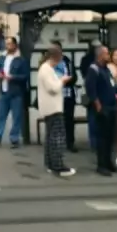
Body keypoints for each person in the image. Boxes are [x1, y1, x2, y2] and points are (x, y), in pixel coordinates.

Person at [37, 45, 76, 177]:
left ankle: (50, 164)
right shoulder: (46, 69)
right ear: (57, 57)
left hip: (50, 108)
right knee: (57, 138)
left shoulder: (45, 68)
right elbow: (53, 88)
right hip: (53, 108)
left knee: (50, 137)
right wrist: (62, 81)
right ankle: (58, 167)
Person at [0, 37, 29, 149]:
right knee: (0, 116)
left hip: (16, 92)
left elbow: (25, 76)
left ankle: (14, 139)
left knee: (16, 117)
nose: (7, 46)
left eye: (9, 44)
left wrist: (12, 77)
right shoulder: (2, 57)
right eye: (6, 44)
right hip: (4, 91)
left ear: (15, 45)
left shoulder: (21, 59)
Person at [84, 46, 117, 176]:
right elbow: (91, 89)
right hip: (102, 108)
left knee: (110, 137)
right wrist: (97, 104)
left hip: (112, 107)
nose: (108, 55)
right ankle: (101, 165)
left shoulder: (106, 69)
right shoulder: (93, 69)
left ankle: (108, 162)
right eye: (106, 54)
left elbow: (112, 85)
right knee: (102, 138)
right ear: (100, 55)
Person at [51, 40, 78, 152]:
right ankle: (56, 143)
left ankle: (70, 143)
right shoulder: (48, 63)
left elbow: (74, 76)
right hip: (54, 95)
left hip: (68, 94)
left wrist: (67, 80)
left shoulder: (67, 61)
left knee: (69, 120)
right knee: (55, 120)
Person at [79, 39, 102, 150]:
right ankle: (96, 142)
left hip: (91, 90)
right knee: (94, 117)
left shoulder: (85, 59)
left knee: (92, 117)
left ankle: (94, 142)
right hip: (94, 90)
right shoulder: (93, 60)